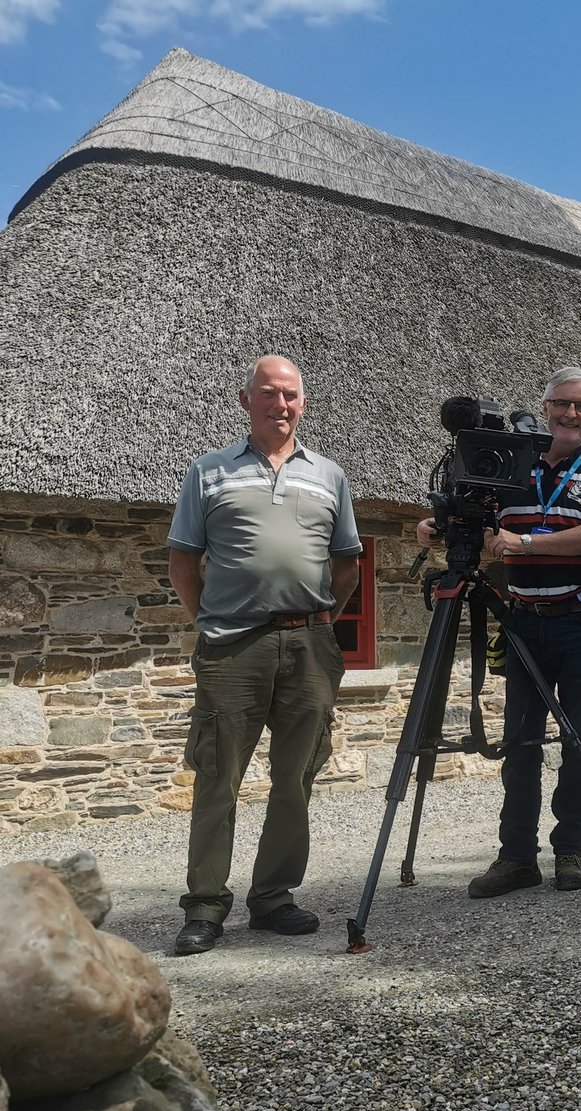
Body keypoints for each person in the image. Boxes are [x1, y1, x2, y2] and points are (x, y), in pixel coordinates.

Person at [167, 355, 362, 955]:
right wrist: (207, 621)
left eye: (293, 395)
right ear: (247, 400)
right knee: (218, 776)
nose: (282, 404)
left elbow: (348, 560)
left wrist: (324, 616)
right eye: (270, 394)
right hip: (232, 647)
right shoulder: (208, 472)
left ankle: (274, 897)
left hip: (308, 643)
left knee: (296, 777)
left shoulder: (329, 476)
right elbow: (182, 560)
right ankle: (204, 905)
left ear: (303, 402)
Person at [416, 367, 581, 896]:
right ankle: (516, 858)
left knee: (579, 740)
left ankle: (570, 850)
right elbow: (479, 525)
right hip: (525, 621)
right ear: (546, 406)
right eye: (561, 404)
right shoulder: (513, 468)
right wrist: (437, 526)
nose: (570, 414)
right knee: (521, 740)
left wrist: (525, 545)